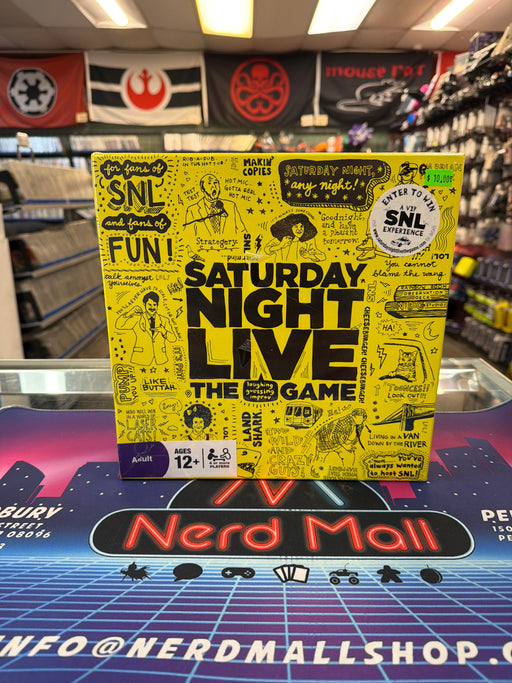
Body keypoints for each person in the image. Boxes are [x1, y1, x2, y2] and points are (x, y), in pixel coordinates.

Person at [116, 291, 176, 366]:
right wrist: (129, 313)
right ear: (144, 305)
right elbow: (119, 326)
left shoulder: (164, 320)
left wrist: (164, 332)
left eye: (154, 305)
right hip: (141, 358)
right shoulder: (138, 318)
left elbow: (173, 339)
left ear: (158, 305)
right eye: (149, 304)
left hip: (161, 359)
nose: (152, 307)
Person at [184, 173, 245, 239]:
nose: (214, 186)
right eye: (209, 183)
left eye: (216, 183)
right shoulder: (192, 210)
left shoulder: (231, 206)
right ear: (202, 188)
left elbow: (242, 231)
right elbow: (187, 237)